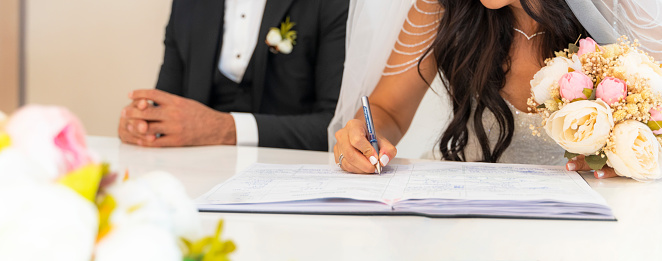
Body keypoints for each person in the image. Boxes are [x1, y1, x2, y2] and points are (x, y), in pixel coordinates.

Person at [332, 0, 662, 176]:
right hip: (468, 216)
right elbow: (389, 109)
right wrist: (362, 135)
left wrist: (630, 162)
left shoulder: (621, 15)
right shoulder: (442, 7)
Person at [118, 0, 349, 151]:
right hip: (196, 179)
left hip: (292, 182)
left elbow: (338, 125)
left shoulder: (332, 5)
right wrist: (144, 124)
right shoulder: (187, 4)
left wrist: (224, 128)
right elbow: (168, 103)